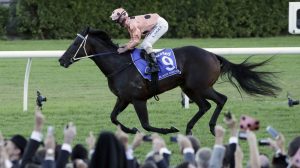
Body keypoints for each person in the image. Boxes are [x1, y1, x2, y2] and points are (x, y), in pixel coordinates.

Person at [110, 7, 169, 74]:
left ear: (122, 18)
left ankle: (155, 66)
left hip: (160, 24)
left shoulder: (132, 24)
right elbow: (133, 40)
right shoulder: (129, 23)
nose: (117, 23)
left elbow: (136, 41)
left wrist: (124, 49)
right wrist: (124, 45)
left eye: (117, 21)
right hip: (158, 23)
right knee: (142, 48)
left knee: (146, 44)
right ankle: (156, 58)